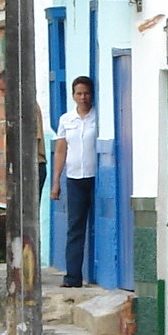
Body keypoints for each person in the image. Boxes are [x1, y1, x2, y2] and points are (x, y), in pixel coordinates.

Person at [51, 75, 99, 288]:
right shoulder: (66, 120)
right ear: (73, 96)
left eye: (86, 93)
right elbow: (61, 150)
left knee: (96, 224)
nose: (83, 97)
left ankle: (98, 275)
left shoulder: (99, 117)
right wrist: (56, 182)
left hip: (95, 178)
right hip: (74, 178)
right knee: (75, 228)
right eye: (79, 93)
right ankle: (73, 276)